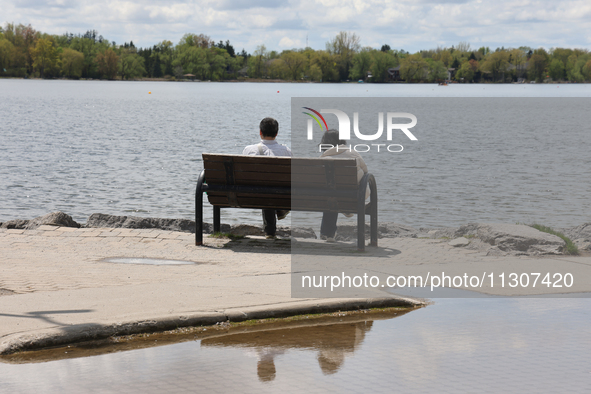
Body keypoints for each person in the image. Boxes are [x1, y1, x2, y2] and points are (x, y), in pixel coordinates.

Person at [243, 117, 291, 239]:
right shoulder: (286, 152)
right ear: (276, 133)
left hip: (250, 195)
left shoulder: (249, 150)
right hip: (280, 195)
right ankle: (277, 216)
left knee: (264, 187)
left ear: (260, 132)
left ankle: (270, 232)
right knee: (272, 188)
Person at [319, 129, 369, 242]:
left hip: (330, 198)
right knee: (337, 193)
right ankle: (345, 209)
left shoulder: (323, 158)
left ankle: (327, 233)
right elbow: (366, 171)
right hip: (352, 197)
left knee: (331, 195)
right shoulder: (353, 153)